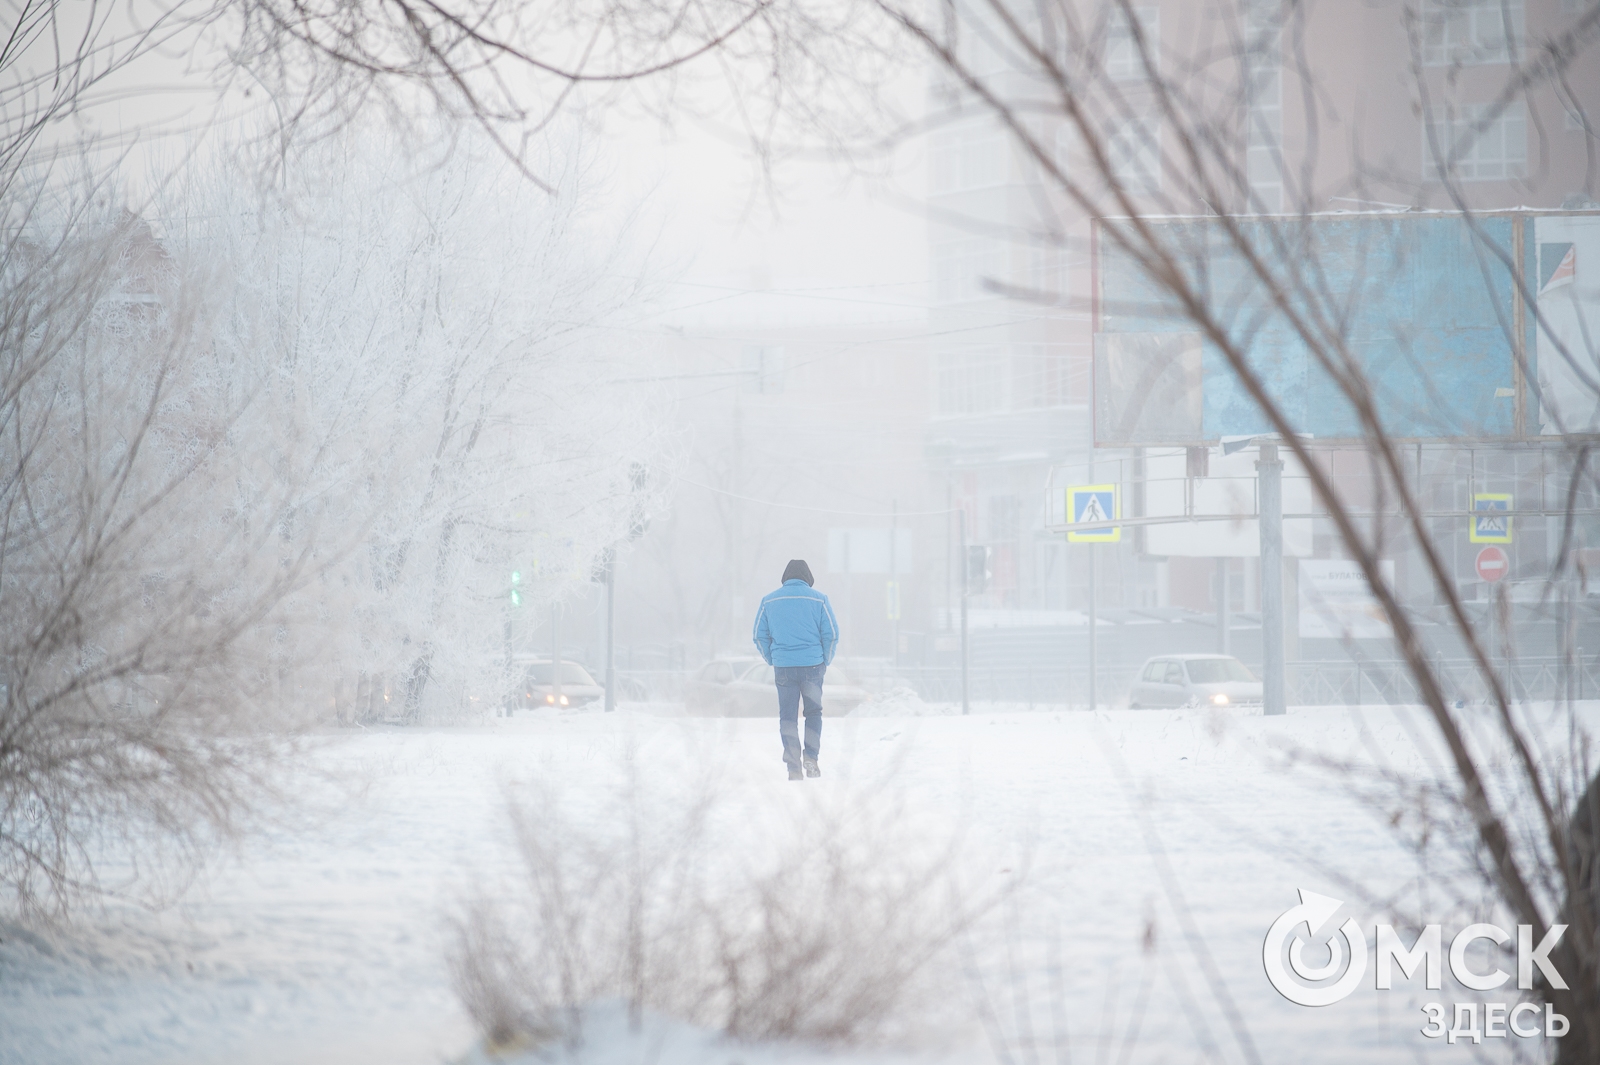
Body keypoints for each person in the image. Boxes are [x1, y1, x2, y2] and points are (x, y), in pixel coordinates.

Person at [751, 559, 839, 781]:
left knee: (788, 717)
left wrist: (772, 658)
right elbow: (831, 634)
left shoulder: (769, 601)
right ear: (808, 578)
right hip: (813, 666)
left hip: (784, 668)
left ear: (785, 577)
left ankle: (793, 766)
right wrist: (825, 660)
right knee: (813, 713)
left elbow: (759, 635)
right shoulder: (819, 600)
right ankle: (811, 757)